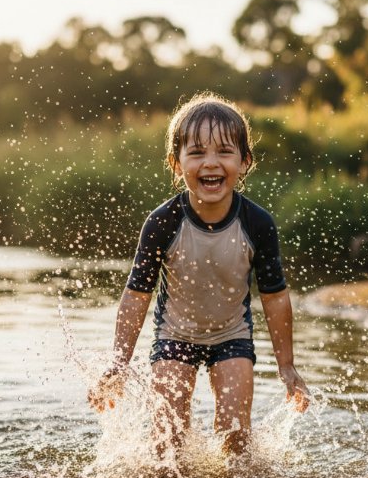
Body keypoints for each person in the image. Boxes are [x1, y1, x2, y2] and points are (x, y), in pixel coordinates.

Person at [87, 92, 309, 456]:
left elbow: (275, 296)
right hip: (175, 336)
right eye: (197, 152)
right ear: (176, 163)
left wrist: (287, 367)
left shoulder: (257, 223)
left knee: (236, 438)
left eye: (224, 151)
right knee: (167, 442)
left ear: (245, 161)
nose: (211, 163)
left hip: (232, 336)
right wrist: (118, 363)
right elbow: (137, 294)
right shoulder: (162, 222)